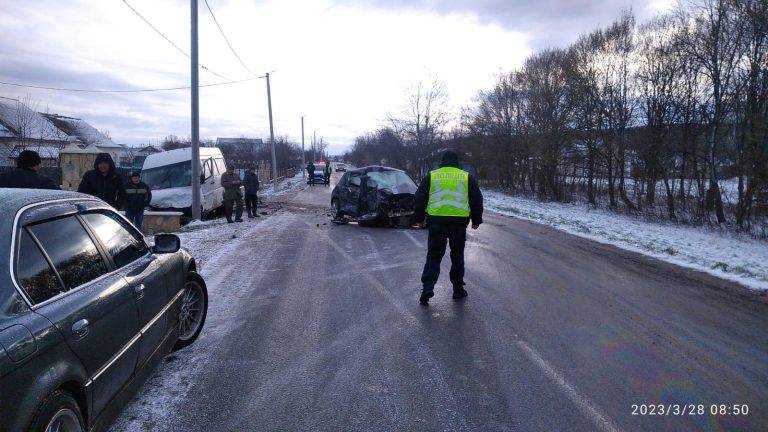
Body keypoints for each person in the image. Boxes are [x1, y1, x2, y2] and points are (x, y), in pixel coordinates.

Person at [414, 150, 483, 305]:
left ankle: (427, 287)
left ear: (442, 161)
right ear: (457, 162)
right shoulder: (466, 177)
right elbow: (477, 200)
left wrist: (419, 218)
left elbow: (420, 198)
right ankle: (458, 289)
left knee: (433, 256)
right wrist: (476, 220)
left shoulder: (432, 176)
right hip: (459, 224)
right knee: (457, 256)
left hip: (436, 222)